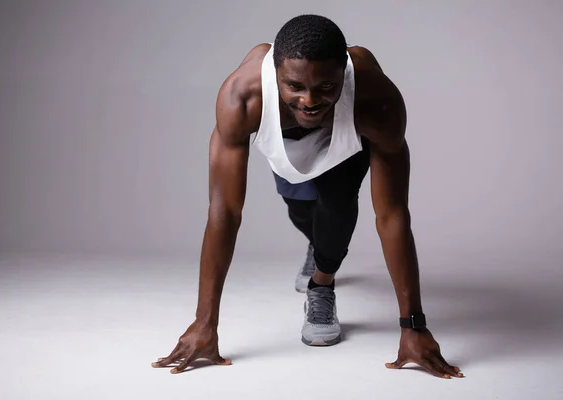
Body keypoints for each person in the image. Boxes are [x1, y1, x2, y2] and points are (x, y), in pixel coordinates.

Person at [152, 14, 464, 379]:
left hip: (346, 141)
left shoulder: (375, 101)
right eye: (295, 86)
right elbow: (225, 211)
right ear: (276, 74)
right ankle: (318, 249)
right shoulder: (243, 98)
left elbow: (392, 214)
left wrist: (413, 326)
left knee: (337, 207)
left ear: (343, 72)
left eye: (325, 86)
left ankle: (322, 284)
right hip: (288, 145)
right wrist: (204, 323)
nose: (310, 100)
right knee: (302, 213)